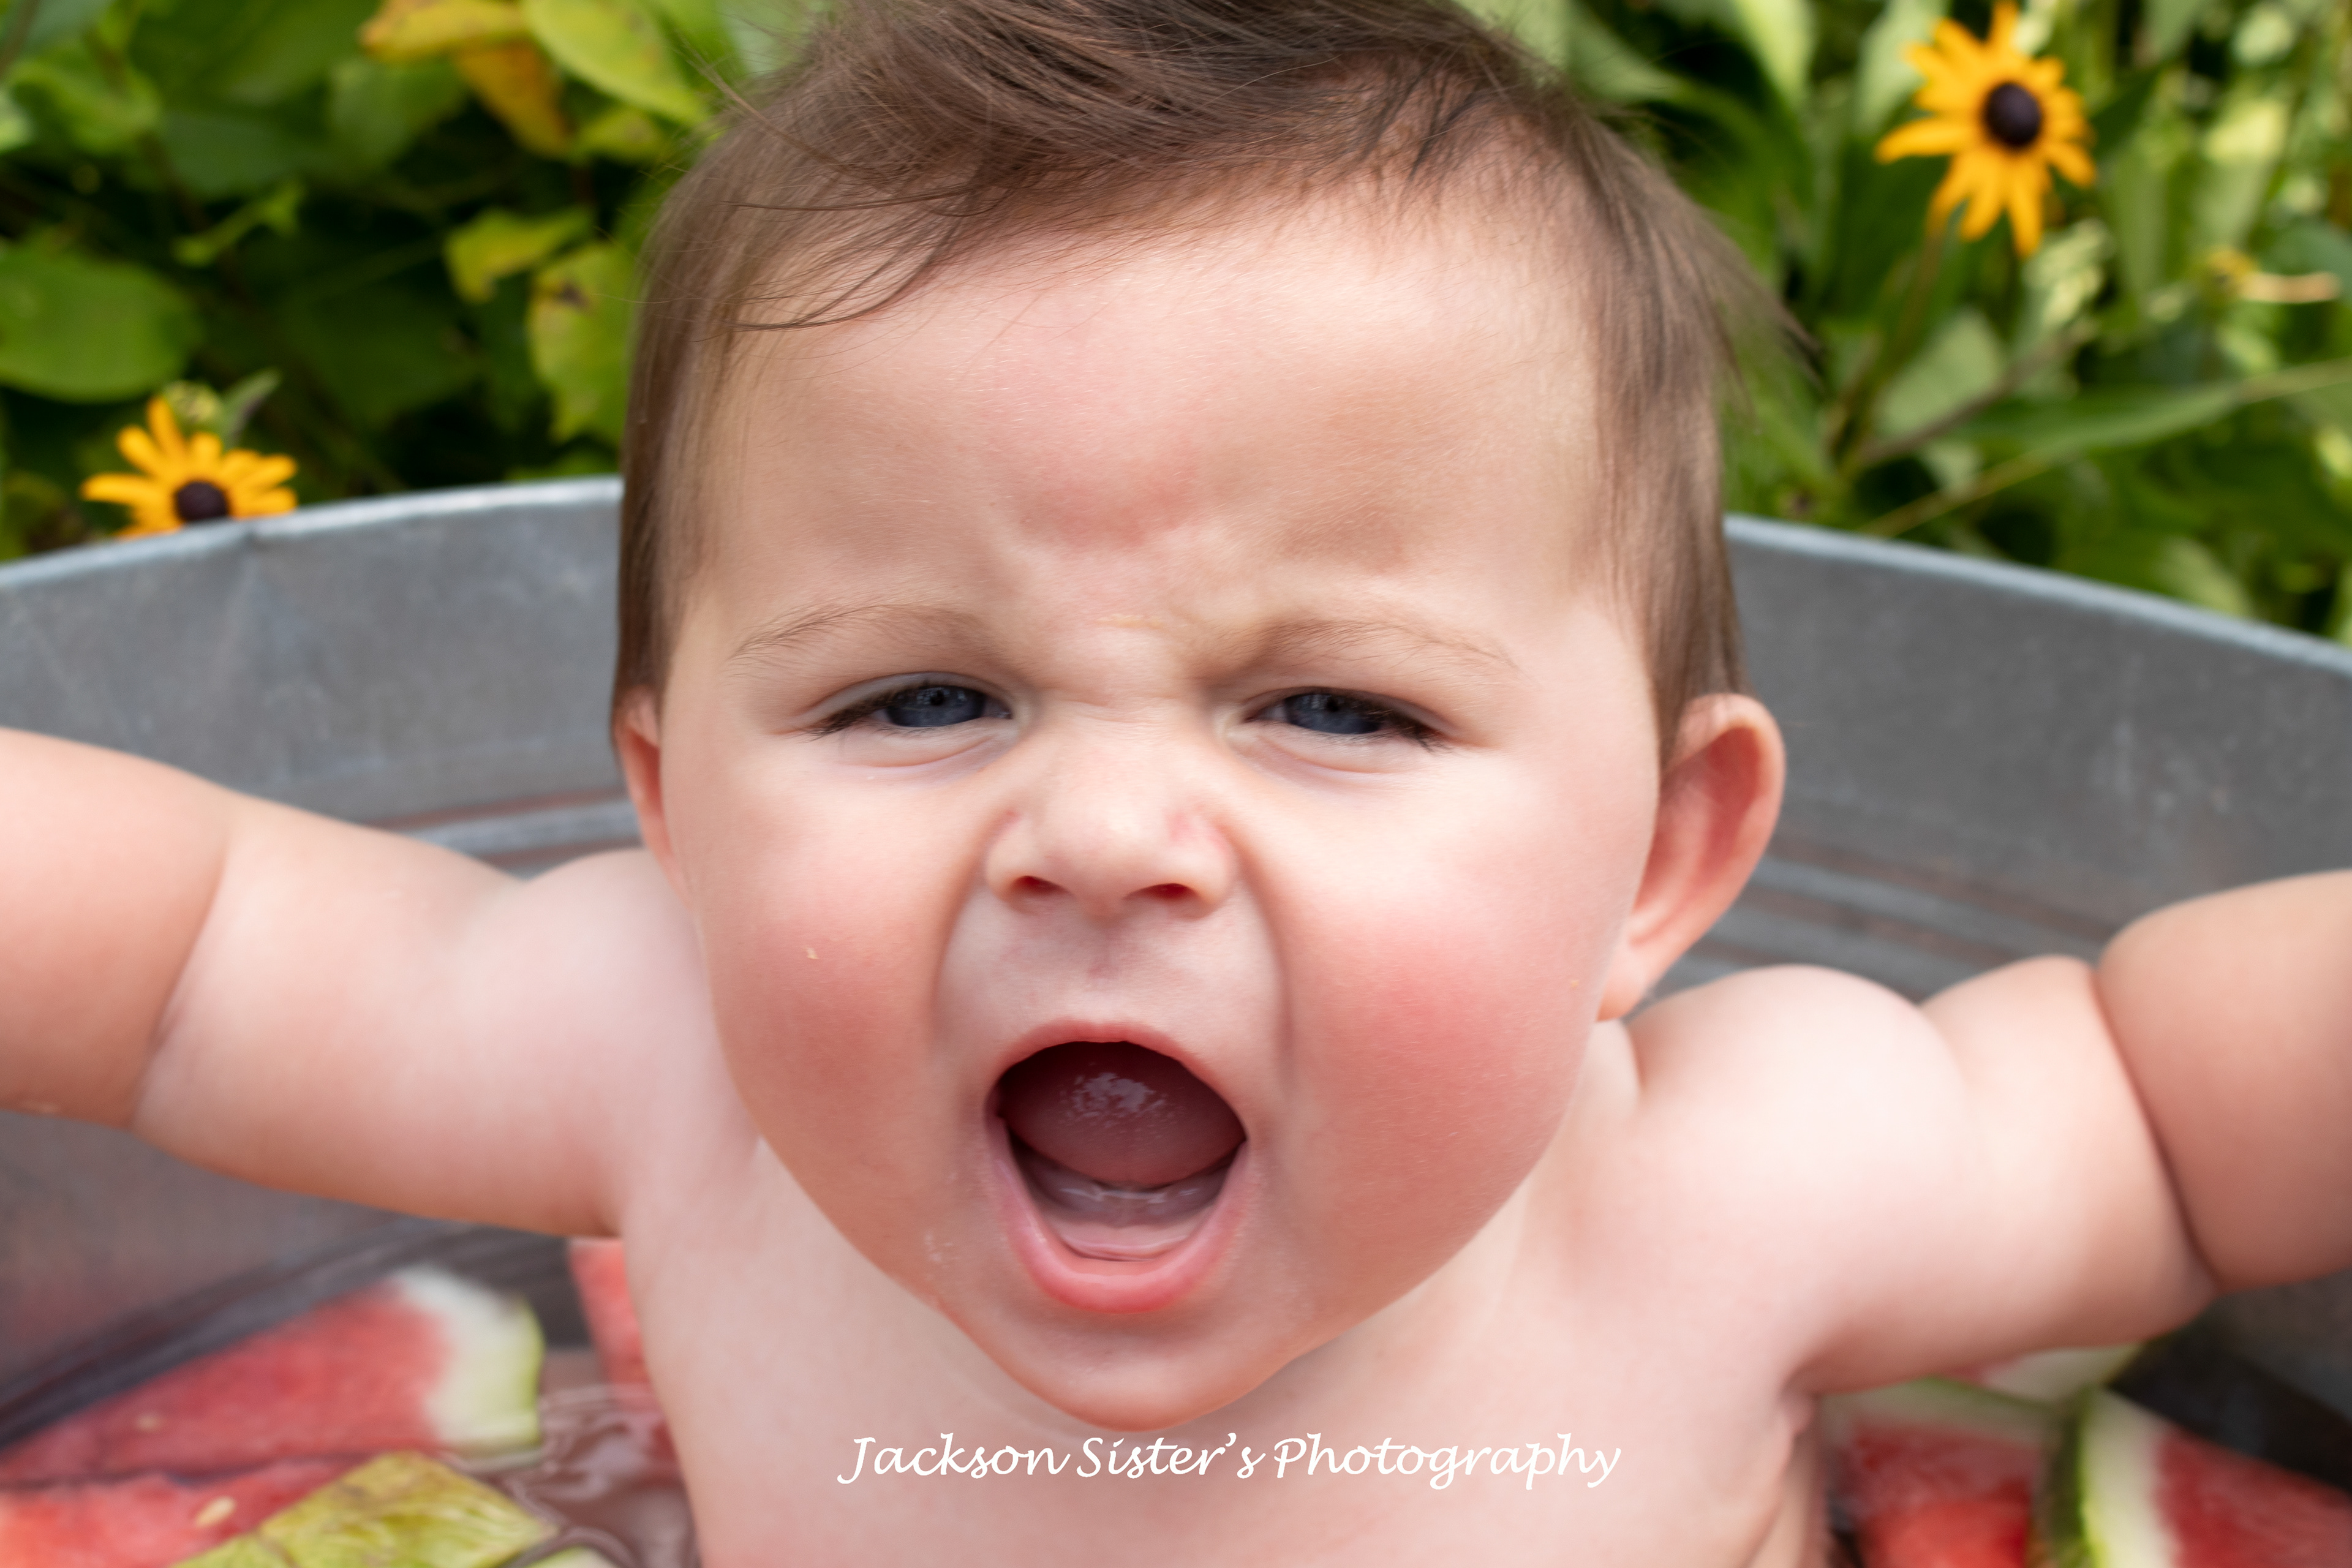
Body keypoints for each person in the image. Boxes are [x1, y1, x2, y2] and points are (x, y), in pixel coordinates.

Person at [5, 1, 2350, 1561]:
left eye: (1334, 709)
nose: (1107, 838)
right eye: (921, 699)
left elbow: (2166, 1111)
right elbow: (197, 961)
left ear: (1659, 858)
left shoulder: (1722, 1202)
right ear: (676, 812)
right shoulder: (672, 1080)